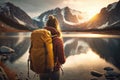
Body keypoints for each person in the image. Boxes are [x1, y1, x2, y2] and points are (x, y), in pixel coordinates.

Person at [39, 15, 66, 80]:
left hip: (42, 69)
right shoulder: (58, 40)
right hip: (54, 70)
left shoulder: (40, 38)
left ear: (47, 25)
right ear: (56, 26)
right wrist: (64, 59)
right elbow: (61, 60)